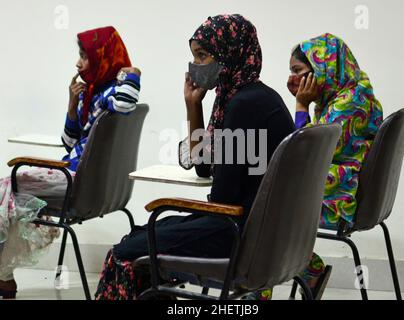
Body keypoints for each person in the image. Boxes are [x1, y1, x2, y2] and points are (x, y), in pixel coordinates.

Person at [94, 14, 295, 300]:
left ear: (229, 53)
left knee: (126, 251)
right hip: (255, 229)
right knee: (141, 234)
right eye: (194, 57)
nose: (195, 66)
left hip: (239, 232)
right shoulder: (248, 97)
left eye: (202, 56)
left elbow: (223, 197)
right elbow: (203, 166)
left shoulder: (244, 105)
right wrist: (193, 106)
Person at [0, 26, 141, 299]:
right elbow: (68, 141)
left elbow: (126, 104)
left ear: (103, 57)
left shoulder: (112, 94)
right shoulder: (96, 93)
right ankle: (3, 274)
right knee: (9, 193)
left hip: (77, 184)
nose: (78, 63)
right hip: (97, 188)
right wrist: (72, 101)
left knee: (8, 187)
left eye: (85, 56)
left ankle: (3, 276)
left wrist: (133, 75)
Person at [243, 33, 384, 300]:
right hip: (336, 185)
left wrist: (300, 105)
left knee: (265, 209)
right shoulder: (343, 96)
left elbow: (304, 155)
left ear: (323, 68)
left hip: (340, 195)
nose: (291, 80)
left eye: (298, 71)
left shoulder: (351, 103)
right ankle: (305, 270)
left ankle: (268, 288)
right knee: (267, 205)